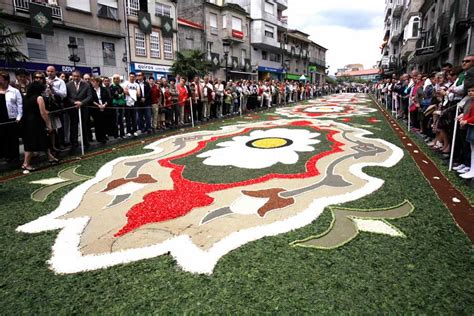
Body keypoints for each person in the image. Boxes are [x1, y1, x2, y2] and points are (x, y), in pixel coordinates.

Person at [21, 77, 58, 171]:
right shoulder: (39, 98)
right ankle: (25, 163)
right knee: (32, 143)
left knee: (43, 140)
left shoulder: (25, 97)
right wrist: (49, 124)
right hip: (36, 122)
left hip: (26, 121)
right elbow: (43, 112)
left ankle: (50, 157)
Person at [66, 70, 93, 151]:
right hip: (73, 109)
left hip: (83, 108)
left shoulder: (86, 84)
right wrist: (74, 102)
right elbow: (67, 97)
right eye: (74, 76)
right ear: (72, 76)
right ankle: (74, 144)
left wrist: (81, 103)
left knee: (84, 126)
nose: (76, 78)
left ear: (80, 76)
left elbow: (89, 96)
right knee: (73, 127)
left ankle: (86, 143)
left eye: (77, 76)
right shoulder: (68, 85)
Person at [0, 71, 22, 163]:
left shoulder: (14, 91)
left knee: (13, 138)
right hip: (1, 118)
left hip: (12, 117)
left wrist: (19, 117)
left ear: (6, 80)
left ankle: (15, 156)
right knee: (2, 137)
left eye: (1, 79)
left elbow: (20, 105)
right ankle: (6, 156)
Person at [90, 77, 110, 144]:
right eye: (92, 82)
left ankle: (104, 135)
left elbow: (108, 98)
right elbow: (91, 100)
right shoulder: (91, 90)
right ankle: (99, 137)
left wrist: (104, 105)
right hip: (96, 109)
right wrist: (98, 105)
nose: (92, 83)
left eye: (93, 82)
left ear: (98, 82)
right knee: (97, 123)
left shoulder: (103, 89)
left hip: (104, 108)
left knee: (104, 122)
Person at [123, 72, 140, 137]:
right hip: (127, 103)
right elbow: (125, 92)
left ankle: (134, 131)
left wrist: (130, 92)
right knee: (128, 118)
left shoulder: (136, 84)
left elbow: (138, 94)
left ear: (135, 77)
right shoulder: (126, 83)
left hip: (134, 103)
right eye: (131, 76)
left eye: (133, 77)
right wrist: (133, 93)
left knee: (134, 118)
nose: (132, 78)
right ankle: (128, 131)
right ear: (129, 77)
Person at [110, 74, 126, 138]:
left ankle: (122, 134)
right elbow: (115, 96)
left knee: (121, 120)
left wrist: (120, 94)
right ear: (113, 79)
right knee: (116, 120)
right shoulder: (111, 87)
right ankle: (116, 135)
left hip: (121, 105)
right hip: (115, 105)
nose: (117, 80)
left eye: (118, 79)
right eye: (115, 78)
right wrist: (120, 94)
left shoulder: (120, 87)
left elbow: (122, 95)